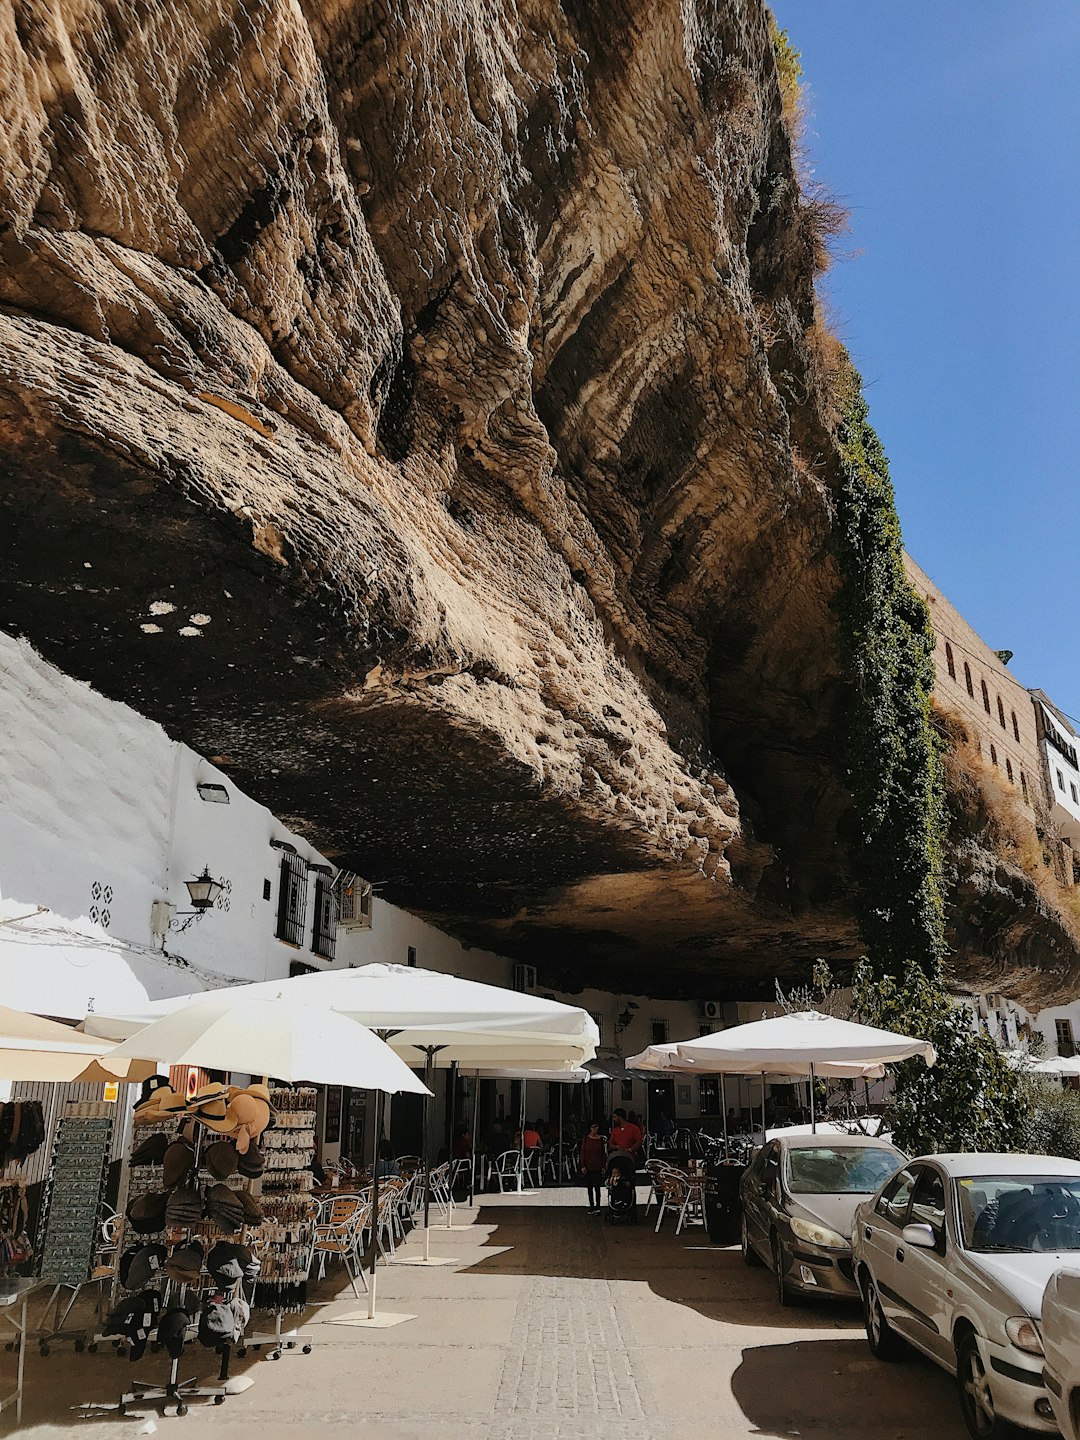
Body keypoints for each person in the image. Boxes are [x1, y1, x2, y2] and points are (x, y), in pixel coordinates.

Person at [579, 1121, 606, 1214]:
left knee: (597, 1187)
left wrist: (603, 1166)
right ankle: (591, 1206)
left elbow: (603, 1154)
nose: (595, 1129)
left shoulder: (600, 1139)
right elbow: (583, 1153)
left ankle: (598, 1206)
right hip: (588, 1165)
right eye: (593, 1127)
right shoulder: (586, 1139)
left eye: (597, 1127)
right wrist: (582, 1165)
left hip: (597, 1166)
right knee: (589, 1187)